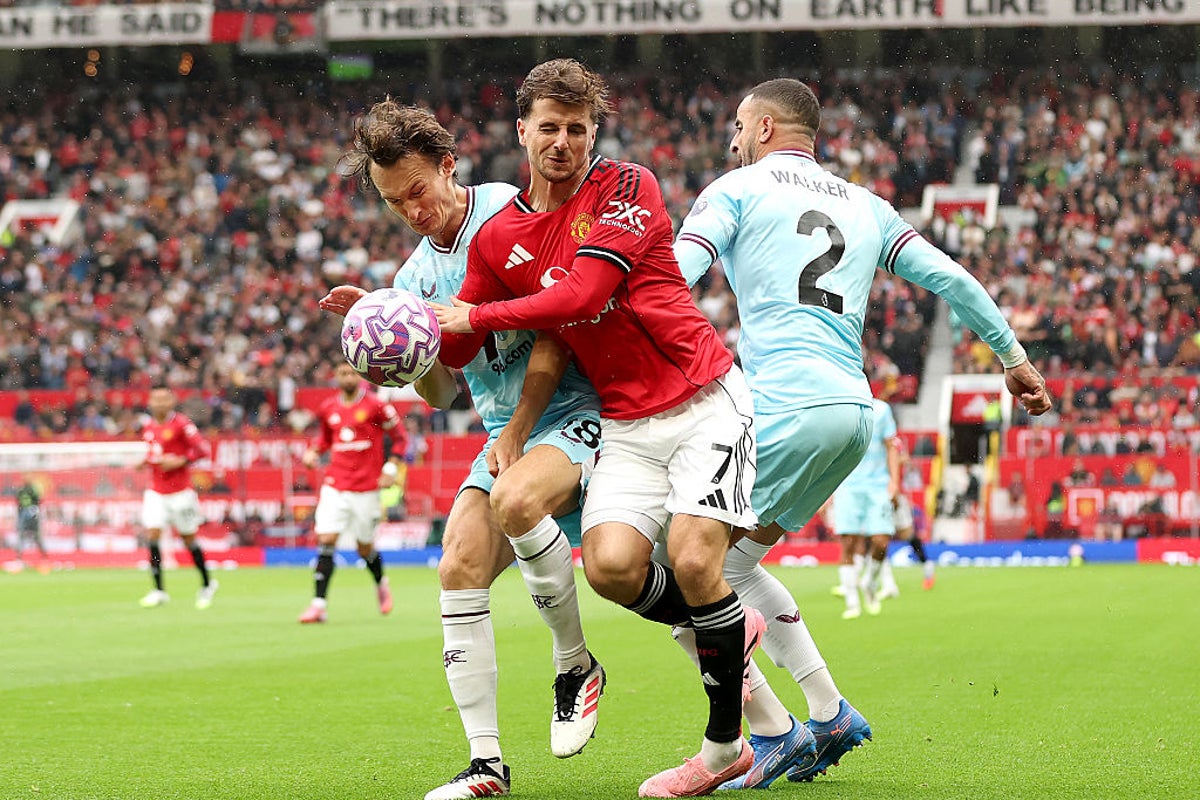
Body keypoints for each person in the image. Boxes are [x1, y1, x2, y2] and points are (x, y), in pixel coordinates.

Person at [672, 78, 1053, 783]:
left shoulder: (736, 189)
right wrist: (1014, 358)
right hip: (853, 413)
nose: (732, 140)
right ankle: (828, 711)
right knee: (734, 568)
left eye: (738, 126)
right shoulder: (867, 205)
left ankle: (771, 732)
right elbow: (951, 278)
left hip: (784, 409)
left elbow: (673, 279)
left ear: (762, 128)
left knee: (678, 573)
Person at [434, 59, 764, 797]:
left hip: (704, 397)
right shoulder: (499, 237)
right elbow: (458, 347)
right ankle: (725, 626)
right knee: (610, 568)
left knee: (693, 560)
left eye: (577, 129)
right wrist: (396, 329)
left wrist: (475, 314)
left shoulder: (627, 187)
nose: (563, 142)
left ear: (593, 134)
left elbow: (583, 294)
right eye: (549, 127)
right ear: (521, 131)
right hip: (626, 422)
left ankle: (723, 750)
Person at [319, 99, 606, 799]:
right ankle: (486, 765)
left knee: (659, 577)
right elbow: (444, 395)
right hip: (505, 435)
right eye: (395, 202)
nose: (412, 211)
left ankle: (576, 665)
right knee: (457, 564)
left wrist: (516, 431)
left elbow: (556, 329)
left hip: (578, 410)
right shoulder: (413, 279)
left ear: (449, 165)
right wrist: (396, 346)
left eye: (418, 190)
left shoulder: (509, 211)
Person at [298, 361, 405, 624]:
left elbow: (401, 439)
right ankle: (319, 605)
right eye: (343, 373)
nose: (348, 377)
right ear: (336, 376)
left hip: (367, 487)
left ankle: (380, 582)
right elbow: (325, 439)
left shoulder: (376, 406)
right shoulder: (328, 408)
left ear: (360, 376)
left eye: (352, 373)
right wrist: (313, 451)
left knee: (364, 547)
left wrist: (391, 468)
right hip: (335, 484)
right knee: (327, 538)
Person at [138, 384, 217, 609]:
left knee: (188, 539)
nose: (160, 403)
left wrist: (182, 460)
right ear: (150, 402)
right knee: (152, 534)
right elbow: (155, 455)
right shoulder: (148, 427)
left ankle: (207, 584)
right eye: (156, 399)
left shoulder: (182, 424)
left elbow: (202, 450)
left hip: (181, 492)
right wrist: (143, 462)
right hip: (156, 491)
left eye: (164, 399)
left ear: (172, 401)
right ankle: (159, 590)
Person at [831, 397, 901, 619]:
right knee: (848, 543)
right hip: (847, 486)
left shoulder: (882, 410)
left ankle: (869, 581)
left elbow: (891, 447)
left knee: (881, 541)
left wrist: (895, 482)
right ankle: (852, 603)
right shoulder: (840, 408)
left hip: (878, 486)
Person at [14, 476, 48, 569]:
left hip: (23, 516)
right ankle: (44, 556)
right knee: (36, 537)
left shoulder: (20, 491)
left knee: (22, 537)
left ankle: (19, 557)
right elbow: (39, 501)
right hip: (33, 515)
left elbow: (18, 502)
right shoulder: (33, 491)